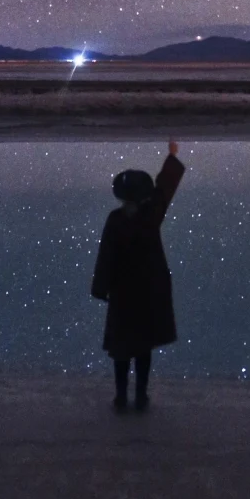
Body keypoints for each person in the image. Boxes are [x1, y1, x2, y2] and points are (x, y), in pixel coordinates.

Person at [91, 140, 185, 412]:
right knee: (143, 347)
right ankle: (140, 396)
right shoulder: (150, 216)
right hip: (146, 291)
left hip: (123, 292)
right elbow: (164, 190)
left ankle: (122, 397)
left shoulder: (116, 219)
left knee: (122, 349)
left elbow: (105, 254)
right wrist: (171, 158)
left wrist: (101, 287)